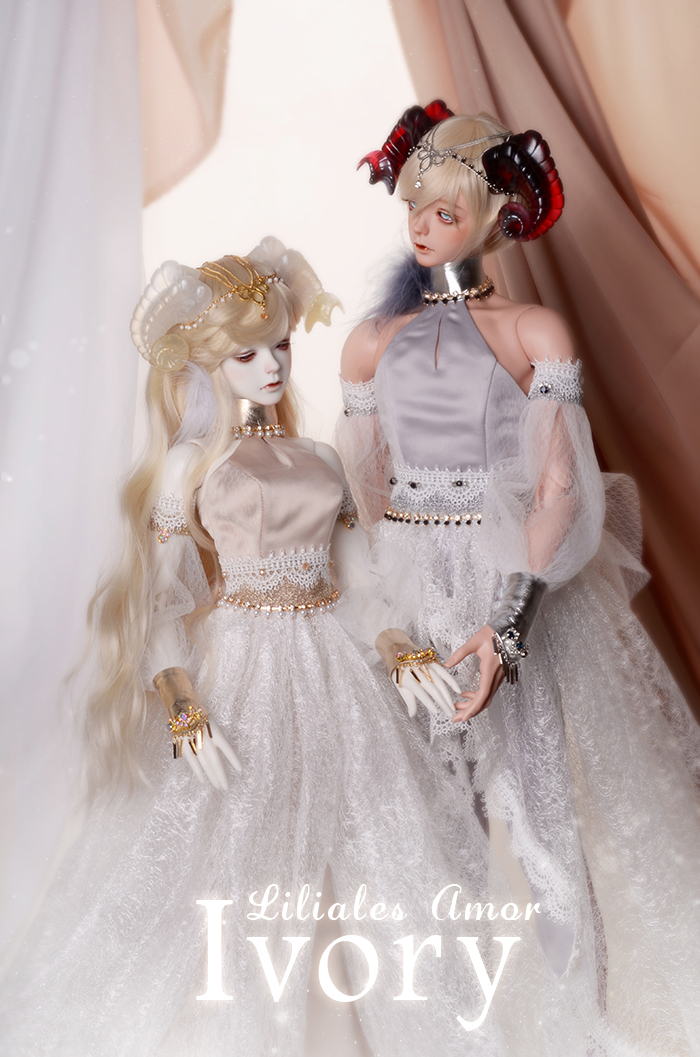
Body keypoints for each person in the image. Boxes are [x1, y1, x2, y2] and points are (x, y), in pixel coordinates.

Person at [0, 239, 564, 1057]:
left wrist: (398, 646)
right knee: (244, 839)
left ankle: (350, 1024)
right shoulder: (191, 466)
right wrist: (181, 701)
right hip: (243, 665)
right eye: (246, 353)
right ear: (208, 365)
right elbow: (160, 597)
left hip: (332, 664)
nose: (270, 365)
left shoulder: (320, 458)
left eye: (281, 345)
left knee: (363, 833)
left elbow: (358, 580)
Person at [338, 103, 700, 1054]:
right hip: (412, 589)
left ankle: (580, 1025)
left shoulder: (534, 330)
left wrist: (509, 625)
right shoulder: (372, 342)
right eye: (413, 207)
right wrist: (383, 615)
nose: (421, 227)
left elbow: (559, 487)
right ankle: (457, 1030)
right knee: (431, 819)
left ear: (496, 214)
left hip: (511, 577)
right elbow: (365, 499)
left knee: (542, 814)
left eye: (444, 211)